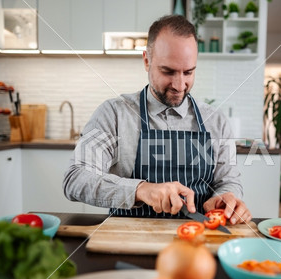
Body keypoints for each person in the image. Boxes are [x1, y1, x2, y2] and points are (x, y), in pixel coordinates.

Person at [63, 15, 251, 224]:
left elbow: (229, 182)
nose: (179, 85)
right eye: (168, 71)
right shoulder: (114, 114)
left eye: (188, 72)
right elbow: (75, 178)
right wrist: (141, 189)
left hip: (197, 242)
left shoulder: (216, 121)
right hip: (128, 241)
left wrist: (225, 198)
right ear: (146, 61)